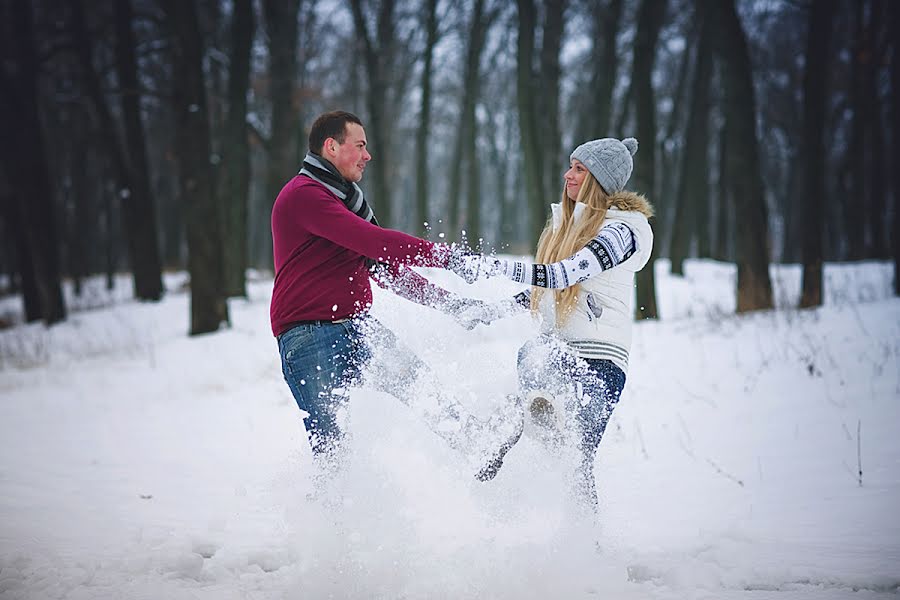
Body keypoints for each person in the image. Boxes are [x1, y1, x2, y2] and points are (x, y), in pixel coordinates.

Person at [270, 110, 522, 481]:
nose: (367, 155)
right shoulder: (305, 196)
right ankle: (327, 529)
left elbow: (383, 267)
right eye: (360, 145)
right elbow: (376, 242)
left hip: (354, 328)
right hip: (308, 338)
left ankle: (477, 444)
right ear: (331, 146)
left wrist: (450, 304)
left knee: (418, 383)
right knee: (332, 447)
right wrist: (448, 257)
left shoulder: (344, 200)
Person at [459, 137, 654, 507]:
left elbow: (561, 276)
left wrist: (489, 265)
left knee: (538, 356)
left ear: (599, 178)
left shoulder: (622, 232)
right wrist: (485, 312)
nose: (568, 175)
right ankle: (532, 417)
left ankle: (520, 421)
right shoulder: (567, 228)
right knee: (572, 468)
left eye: (580, 169)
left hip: (598, 368)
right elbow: (544, 292)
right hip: (561, 359)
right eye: (571, 165)